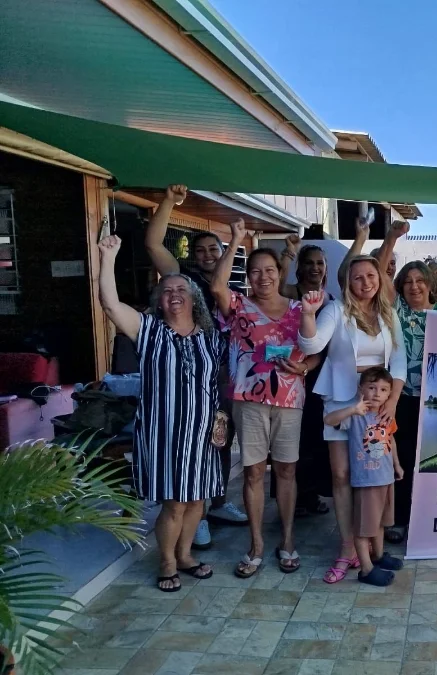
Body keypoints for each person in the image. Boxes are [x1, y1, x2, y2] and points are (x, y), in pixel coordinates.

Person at [98, 235, 224, 593]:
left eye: (181, 290)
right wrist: (108, 258)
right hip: (164, 433)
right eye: (166, 291)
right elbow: (110, 304)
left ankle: (184, 555)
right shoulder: (148, 330)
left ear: (194, 299)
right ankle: (167, 561)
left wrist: (221, 421)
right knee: (174, 503)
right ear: (159, 300)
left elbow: (216, 382)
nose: (174, 295)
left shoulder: (211, 337)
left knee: (197, 499)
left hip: (202, 433)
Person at [144, 184, 247, 549]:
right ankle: (196, 515)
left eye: (213, 249)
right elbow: (153, 244)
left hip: (223, 372)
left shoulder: (234, 284)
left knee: (220, 437)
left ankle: (216, 503)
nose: (206, 255)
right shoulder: (183, 280)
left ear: (223, 251)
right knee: (192, 443)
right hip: (188, 373)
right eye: (200, 250)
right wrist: (169, 203)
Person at [211, 220, 315, 578]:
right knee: (254, 472)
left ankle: (286, 539)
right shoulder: (238, 306)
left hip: (290, 399)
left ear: (279, 272)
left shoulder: (299, 309)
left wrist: (306, 367)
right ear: (248, 276)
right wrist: (235, 240)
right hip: (249, 399)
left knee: (286, 470)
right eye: (255, 271)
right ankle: (255, 544)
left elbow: (318, 349)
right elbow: (217, 285)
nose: (263, 277)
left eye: (269, 270)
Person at [298, 255, 407, 584]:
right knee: (343, 475)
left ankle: (373, 546)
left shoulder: (388, 312)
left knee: (374, 473)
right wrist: (308, 314)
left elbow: (399, 361)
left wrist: (393, 402)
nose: (365, 282)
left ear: (379, 278)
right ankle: (348, 546)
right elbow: (311, 343)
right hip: (342, 399)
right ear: (348, 281)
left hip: (377, 404)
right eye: (357, 277)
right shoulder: (336, 310)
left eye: (371, 275)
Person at [375, 229, 437, 543]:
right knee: (401, 457)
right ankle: (400, 519)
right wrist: (390, 239)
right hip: (402, 397)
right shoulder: (396, 311)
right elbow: (379, 274)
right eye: (408, 282)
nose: (414, 286)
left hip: (436, 400)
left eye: (420, 281)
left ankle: (432, 517)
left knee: (432, 459)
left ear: (429, 284)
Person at [323, 367, 405, 586]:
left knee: (380, 523)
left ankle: (378, 556)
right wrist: (352, 409)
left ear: (389, 394)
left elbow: (391, 440)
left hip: (386, 479)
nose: (377, 393)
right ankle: (366, 569)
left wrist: (397, 465)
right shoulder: (356, 416)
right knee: (363, 527)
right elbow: (329, 420)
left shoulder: (386, 415)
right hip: (366, 480)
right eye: (372, 387)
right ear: (361, 389)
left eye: (383, 390)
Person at [276, 235, 332, 516]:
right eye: (309, 263)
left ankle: (309, 495)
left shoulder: (330, 300)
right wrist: (288, 253)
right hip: (289, 374)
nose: (314, 268)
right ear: (300, 268)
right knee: (291, 439)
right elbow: (276, 285)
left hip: (318, 374)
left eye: (319, 263)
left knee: (314, 437)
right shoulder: (290, 292)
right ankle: (291, 499)